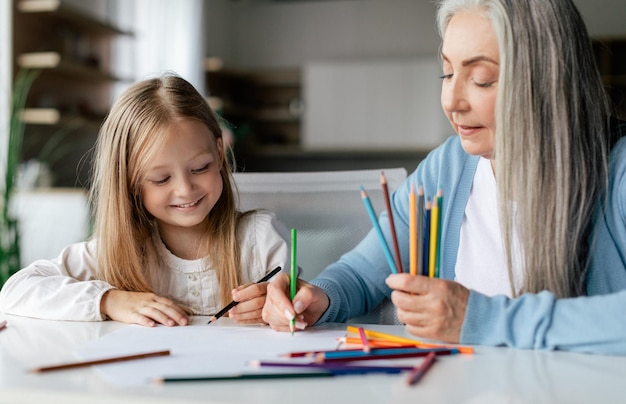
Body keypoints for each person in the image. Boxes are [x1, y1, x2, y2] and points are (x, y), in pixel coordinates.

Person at [262, 0, 626, 354]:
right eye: (447, 73)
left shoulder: (618, 171)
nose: (452, 101)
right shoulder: (447, 169)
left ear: (548, 80)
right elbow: (361, 273)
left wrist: (482, 319)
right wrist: (318, 297)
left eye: (481, 80)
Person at [0, 74, 292, 327]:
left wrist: (278, 307)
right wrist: (109, 301)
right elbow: (15, 290)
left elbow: (297, 311)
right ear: (129, 182)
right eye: (161, 179)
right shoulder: (117, 251)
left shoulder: (260, 238)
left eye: (200, 167)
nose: (185, 189)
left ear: (218, 153)